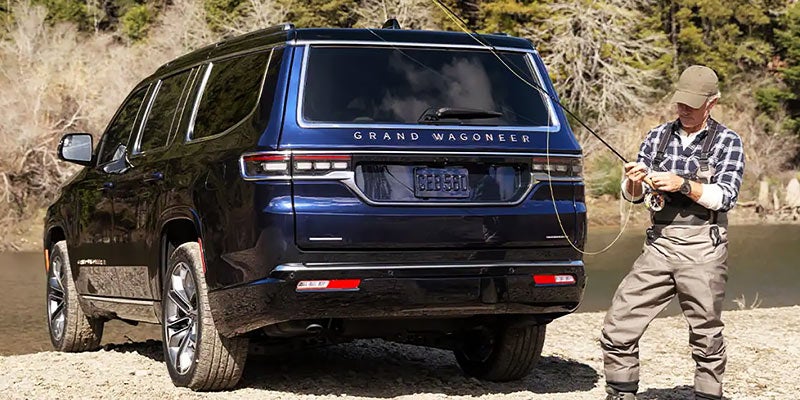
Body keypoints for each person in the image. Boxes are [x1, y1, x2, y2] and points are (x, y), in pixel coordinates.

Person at [601, 65, 745, 400]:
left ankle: (708, 395)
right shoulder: (656, 136)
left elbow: (726, 197)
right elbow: (632, 196)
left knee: (706, 334)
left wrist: (683, 184)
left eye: (693, 104)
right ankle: (621, 392)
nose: (685, 110)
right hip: (659, 245)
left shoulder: (728, 142)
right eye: (681, 102)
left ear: (712, 102)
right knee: (618, 324)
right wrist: (634, 181)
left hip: (704, 247)